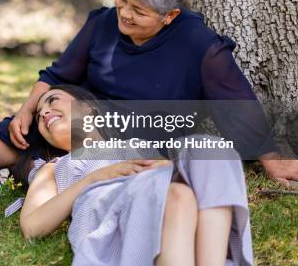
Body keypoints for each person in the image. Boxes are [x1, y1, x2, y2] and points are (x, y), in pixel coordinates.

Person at [0, 0, 298, 187]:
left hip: (139, 134)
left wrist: (271, 158)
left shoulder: (199, 45)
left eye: (139, 10)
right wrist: (26, 109)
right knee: (3, 138)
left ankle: (42, 166)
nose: (124, 13)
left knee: (65, 126)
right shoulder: (103, 21)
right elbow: (57, 76)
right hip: (80, 116)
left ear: (170, 16)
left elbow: (235, 103)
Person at [14, 85, 254, 266]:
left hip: (158, 189)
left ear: (87, 106)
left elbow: (167, 173)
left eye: (52, 100)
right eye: (38, 116)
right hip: (112, 203)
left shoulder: (134, 145)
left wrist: (166, 169)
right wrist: (96, 177)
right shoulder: (54, 168)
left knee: (209, 150)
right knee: (176, 195)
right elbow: (32, 227)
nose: (44, 112)